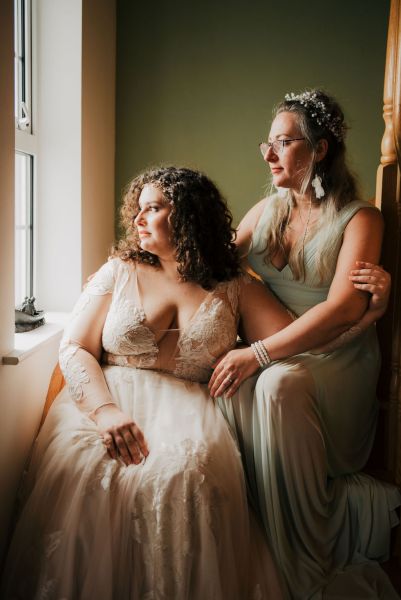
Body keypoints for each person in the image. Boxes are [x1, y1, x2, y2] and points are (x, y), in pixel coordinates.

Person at [2, 166, 299, 600]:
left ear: (188, 216)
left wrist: (365, 311)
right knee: (89, 468)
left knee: (186, 474)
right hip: (107, 394)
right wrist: (106, 413)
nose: (138, 219)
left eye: (153, 208)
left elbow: (294, 336)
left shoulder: (233, 286)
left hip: (190, 406)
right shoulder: (119, 271)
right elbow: (74, 347)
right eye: (138, 209)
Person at [209, 90, 401, 598]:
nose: (269, 154)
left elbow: (342, 309)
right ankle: (264, 537)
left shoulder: (362, 218)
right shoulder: (268, 210)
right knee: (245, 383)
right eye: (266, 144)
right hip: (281, 347)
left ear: (319, 149)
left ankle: (307, 553)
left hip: (339, 357)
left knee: (275, 385)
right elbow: (214, 266)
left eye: (283, 142)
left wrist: (259, 352)